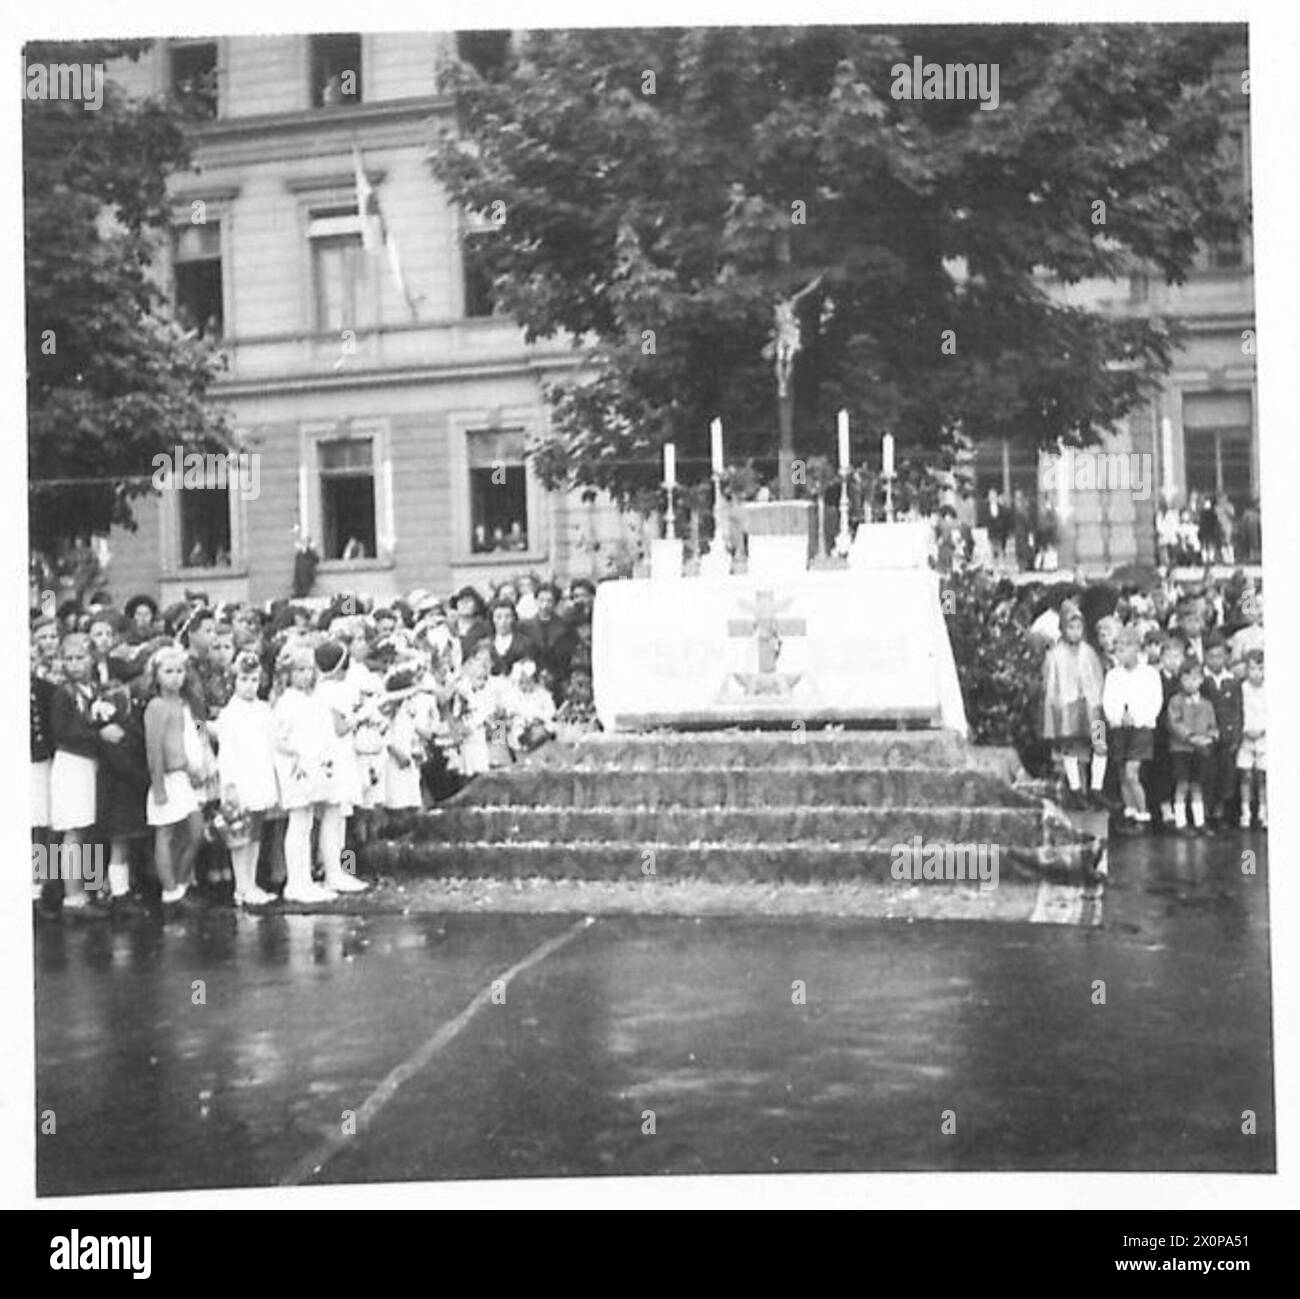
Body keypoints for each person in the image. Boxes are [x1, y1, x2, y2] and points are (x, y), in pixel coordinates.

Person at [210, 653, 280, 907]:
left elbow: (273, 742)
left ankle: (251, 882)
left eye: (254, 679)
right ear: (234, 681)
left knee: (256, 832)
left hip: (260, 776)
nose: (250, 685)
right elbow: (226, 754)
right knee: (240, 834)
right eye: (244, 679)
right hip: (240, 780)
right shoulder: (230, 714)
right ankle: (241, 885)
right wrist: (229, 787)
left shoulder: (264, 709)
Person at [273, 646, 339, 904]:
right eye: (299, 670)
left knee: (307, 821)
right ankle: (296, 882)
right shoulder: (285, 702)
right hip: (295, 767)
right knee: (298, 822)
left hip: (312, 766)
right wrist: (298, 753)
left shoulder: (310, 700)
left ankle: (305, 879)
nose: (305, 675)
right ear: (288, 674)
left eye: (309, 670)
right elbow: (279, 739)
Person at [143, 646, 208, 907]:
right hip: (167, 778)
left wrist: (199, 765)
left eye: (180, 671)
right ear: (156, 675)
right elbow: (154, 748)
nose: (175, 677)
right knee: (166, 833)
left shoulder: (186, 704)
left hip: (186, 777)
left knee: (196, 832)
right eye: (168, 671)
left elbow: (197, 731)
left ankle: (180, 883)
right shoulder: (156, 706)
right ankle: (169, 890)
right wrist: (158, 787)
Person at [48, 634, 107, 918]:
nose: (74, 664)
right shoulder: (63, 693)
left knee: (89, 827)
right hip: (72, 762)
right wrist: (98, 734)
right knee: (74, 828)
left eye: (80, 658)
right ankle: (73, 895)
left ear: (92, 659)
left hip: (89, 763)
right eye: (69, 659)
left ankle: (92, 885)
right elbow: (62, 731)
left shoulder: (93, 689)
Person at [312, 640, 368, 892]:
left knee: (338, 816)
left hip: (334, 754)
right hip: (337, 755)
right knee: (334, 816)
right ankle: (333, 872)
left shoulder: (319, 689)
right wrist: (362, 715)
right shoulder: (334, 691)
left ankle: (339, 869)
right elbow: (340, 728)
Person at [1041, 600, 1107, 810]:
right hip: (1067, 708)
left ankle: (1097, 788)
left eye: (1079, 627)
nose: (1075, 632)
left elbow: (1098, 679)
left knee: (1099, 745)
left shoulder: (1088, 652)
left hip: (1092, 707)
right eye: (1071, 627)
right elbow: (1050, 685)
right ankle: (1076, 789)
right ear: (1062, 628)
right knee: (1070, 748)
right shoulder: (1055, 655)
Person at [1102, 626, 1162, 833]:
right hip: (1120, 729)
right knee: (1122, 773)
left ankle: (1143, 815)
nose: (1119, 655)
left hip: (1141, 729)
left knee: (1131, 773)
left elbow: (1155, 702)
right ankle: (1130, 812)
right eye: (1116, 650)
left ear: (1136, 648)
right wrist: (1117, 717)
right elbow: (1108, 701)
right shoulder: (1113, 675)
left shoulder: (1150, 674)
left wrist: (1137, 718)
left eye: (1123, 649)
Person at [1165, 659, 1217, 835]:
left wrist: (1211, 737)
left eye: (1195, 679)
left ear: (1201, 680)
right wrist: (1191, 737)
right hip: (1181, 749)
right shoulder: (1176, 701)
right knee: (1182, 783)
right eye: (1186, 679)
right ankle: (1180, 822)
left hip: (1201, 749)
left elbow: (1213, 725)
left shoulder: (1206, 703)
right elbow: (1174, 723)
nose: (1191, 683)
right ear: (1180, 680)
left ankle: (1200, 821)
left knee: (1197, 784)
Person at [1201, 632, 1243, 833]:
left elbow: (1237, 710)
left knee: (1227, 775)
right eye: (1211, 656)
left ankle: (1221, 812)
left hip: (1227, 737)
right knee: (1208, 775)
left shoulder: (1232, 681)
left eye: (1220, 656)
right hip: (1208, 737)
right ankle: (1207, 814)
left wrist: (1235, 734)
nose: (1216, 660)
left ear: (1226, 657)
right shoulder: (1201, 680)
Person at [520, 581, 576, 701]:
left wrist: (553, 674)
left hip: (558, 681)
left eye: (549, 601)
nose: (544, 605)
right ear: (535, 601)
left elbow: (567, 655)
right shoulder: (524, 627)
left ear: (555, 603)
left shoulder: (565, 628)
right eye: (541, 600)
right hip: (532, 681)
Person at [1237, 651, 1266, 830]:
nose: (1256, 673)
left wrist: (1263, 730)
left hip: (1264, 737)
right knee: (1245, 774)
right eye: (1252, 668)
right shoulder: (1241, 688)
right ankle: (1245, 811)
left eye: (1260, 668)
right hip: (1245, 736)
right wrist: (1245, 730)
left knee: (1263, 776)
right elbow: (1239, 711)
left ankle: (1264, 811)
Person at [486, 599, 531, 677]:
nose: (503, 621)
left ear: (513, 618)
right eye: (498, 617)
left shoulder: (525, 643)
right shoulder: (485, 644)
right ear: (492, 619)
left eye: (507, 617)